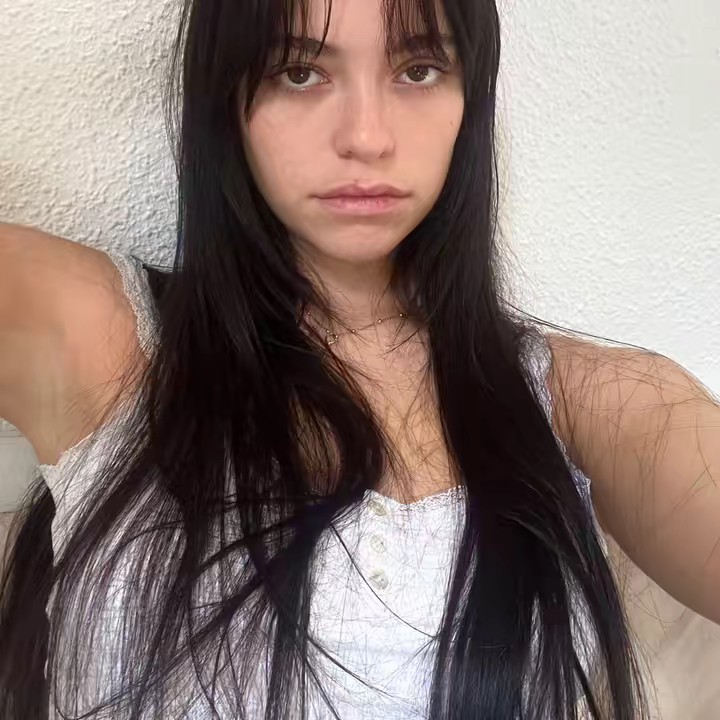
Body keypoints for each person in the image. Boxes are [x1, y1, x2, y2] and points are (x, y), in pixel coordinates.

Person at [0, 0, 718, 718]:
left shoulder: (593, 401)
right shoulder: (99, 336)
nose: (367, 137)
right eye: (299, 71)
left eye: (419, 69)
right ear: (227, 94)